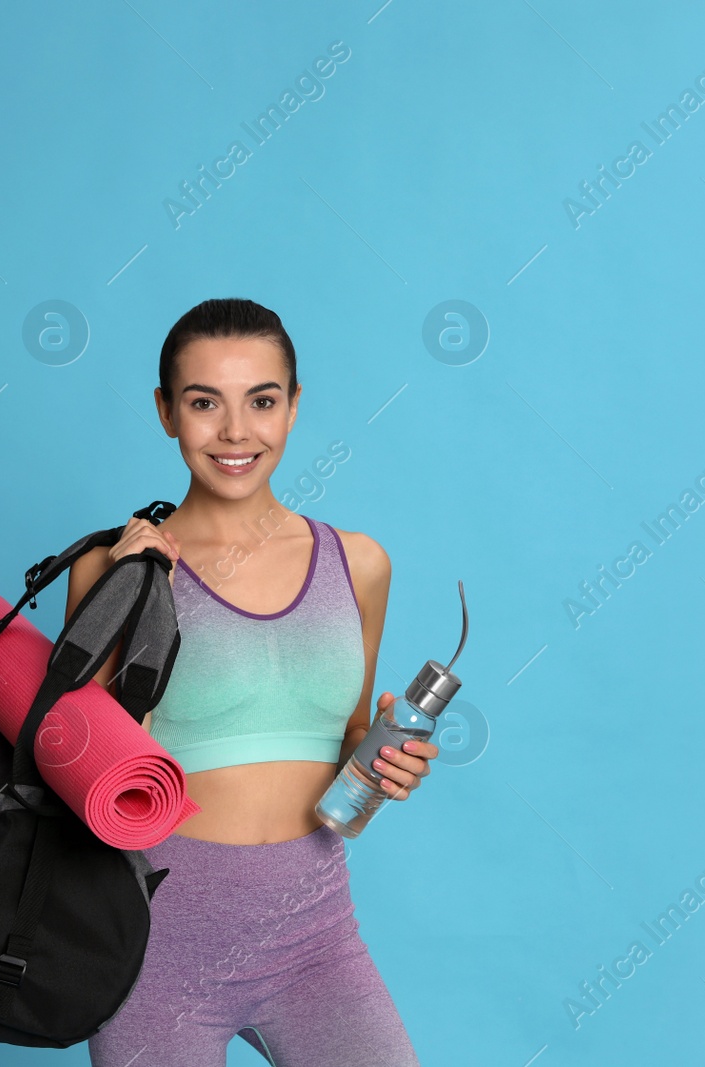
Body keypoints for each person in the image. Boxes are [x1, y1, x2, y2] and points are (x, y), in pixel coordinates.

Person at [77, 298, 433, 1067]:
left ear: (294, 407)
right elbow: (78, 770)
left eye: (262, 401)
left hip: (316, 940)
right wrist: (133, 594)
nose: (236, 432)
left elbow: (340, 751)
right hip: (155, 948)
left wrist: (383, 766)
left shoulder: (360, 564)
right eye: (205, 402)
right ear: (166, 412)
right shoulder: (116, 570)